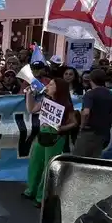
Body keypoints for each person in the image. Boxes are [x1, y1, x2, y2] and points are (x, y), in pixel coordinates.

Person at [24, 77, 78, 206]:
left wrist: (62, 128)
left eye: (51, 84)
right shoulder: (46, 100)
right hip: (42, 135)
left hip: (56, 137)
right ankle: (31, 190)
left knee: (48, 167)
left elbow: (74, 123)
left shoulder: (66, 105)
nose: (48, 86)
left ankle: (41, 197)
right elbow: (31, 109)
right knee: (35, 163)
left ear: (58, 88)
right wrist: (29, 95)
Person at [72, 68, 112, 158]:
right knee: (94, 159)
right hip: (103, 132)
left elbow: (86, 112)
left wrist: (82, 126)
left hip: (89, 131)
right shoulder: (111, 94)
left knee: (79, 159)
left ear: (91, 79)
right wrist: (110, 120)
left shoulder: (90, 94)